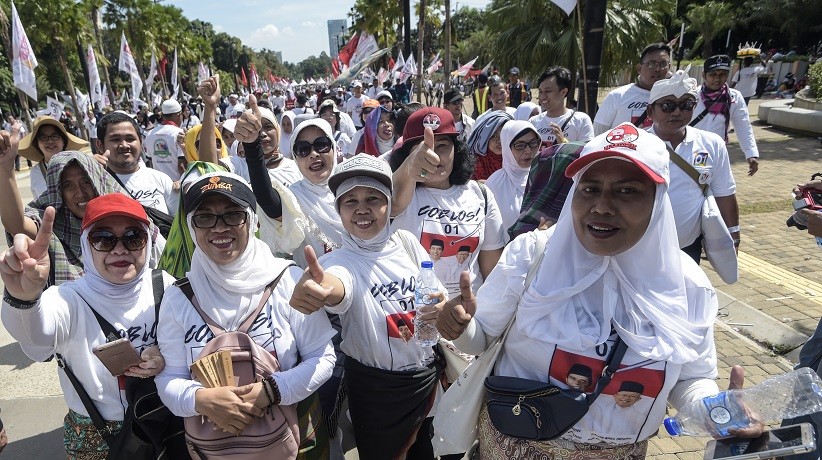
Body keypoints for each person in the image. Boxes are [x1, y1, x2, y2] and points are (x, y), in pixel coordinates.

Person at [438, 124, 762, 457]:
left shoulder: (687, 284)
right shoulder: (532, 256)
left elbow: (691, 378)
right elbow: (482, 340)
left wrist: (716, 411)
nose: (602, 206)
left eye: (627, 191)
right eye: (590, 189)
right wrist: (460, 328)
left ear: (658, 201)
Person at [155, 171, 336, 455]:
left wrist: (272, 391)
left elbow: (322, 357)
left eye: (232, 215)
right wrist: (201, 400)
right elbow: (168, 379)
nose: (219, 228)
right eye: (204, 218)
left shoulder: (286, 281)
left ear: (251, 221)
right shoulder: (179, 298)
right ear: (191, 227)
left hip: (293, 440)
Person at [289, 154, 448, 459]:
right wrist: (321, 290)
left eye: (373, 198)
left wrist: (444, 307)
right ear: (339, 211)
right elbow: (338, 286)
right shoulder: (337, 262)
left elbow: (434, 292)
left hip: (425, 383)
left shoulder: (406, 243)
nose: (362, 208)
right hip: (376, 394)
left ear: (390, 204)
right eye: (350, 201)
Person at [1, 193, 173, 459]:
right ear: (86, 245)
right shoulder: (68, 298)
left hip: (164, 420)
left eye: (133, 237)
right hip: (99, 435)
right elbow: (35, 337)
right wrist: (23, 297)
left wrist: (166, 358)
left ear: (148, 242)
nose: (120, 249)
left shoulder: (165, 285)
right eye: (103, 239)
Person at [390, 107, 506, 297]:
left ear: (456, 150)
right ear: (406, 157)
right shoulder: (398, 197)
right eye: (423, 148)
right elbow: (392, 200)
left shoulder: (481, 195)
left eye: (442, 145)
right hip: (415, 315)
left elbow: (492, 271)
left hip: (468, 315)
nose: (434, 156)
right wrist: (407, 171)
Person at [648, 70, 740, 263]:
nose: (677, 112)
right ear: (650, 111)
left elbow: (725, 193)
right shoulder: (636, 144)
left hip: (688, 248)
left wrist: (734, 235)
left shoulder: (712, 144)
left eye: (686, 105)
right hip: (640, 246)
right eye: (667, 106)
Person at [96, 112, 179, 216]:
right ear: (100, 145)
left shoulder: (161, 179)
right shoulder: (94, 185)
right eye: (115, 139)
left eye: (130, 139)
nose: (124, 145)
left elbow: (179, 223)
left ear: (140, 141)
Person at [692, 55, 760, 176]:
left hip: (718, 150)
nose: (717, 79)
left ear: (727, 76)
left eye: (722, 74)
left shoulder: (734, 97)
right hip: (695, 149)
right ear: (704, 75)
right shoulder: (692, 96)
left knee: (722, 188)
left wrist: (751, 154)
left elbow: (743, 126)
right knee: (699, 182)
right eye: (713, 74)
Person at [593, 43, 672, 134]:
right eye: (651, 64)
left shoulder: (675, 99)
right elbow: (597, 134)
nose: (657, 69)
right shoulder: (617, 96)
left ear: (669, 67)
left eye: (663, 64)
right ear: (639, 68)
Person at [485, 120, 541, 239]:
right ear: (507, 147)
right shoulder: (494, 184)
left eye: (533, 143)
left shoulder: (545, 176)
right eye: (520, 145)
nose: (528, 151)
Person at [16, 116, 89, 197]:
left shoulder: (80, 163)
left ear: (63, 141)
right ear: (37, 144)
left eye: (55, 136)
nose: (50, 141)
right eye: (43, 137)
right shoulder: (36, 172)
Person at [530, 67, 595, 146]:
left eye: (548, 91)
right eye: (540, 91)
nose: (543, 96)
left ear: (563, 92)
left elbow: (587, 153)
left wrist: (563, 142)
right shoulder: (533, 122)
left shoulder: (581, 121)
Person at [143, 99, 186, 181]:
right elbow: (182, 166)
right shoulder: (179, 133)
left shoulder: (150, 134)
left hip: (159, 184)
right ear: (179, 115)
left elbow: (150, 162)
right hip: (177, 184)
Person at [467, 111, 513, 181]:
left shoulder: (516, 158)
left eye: (503, 135)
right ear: (485, 138)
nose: (499, 141)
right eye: (494, 136)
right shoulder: (477, 162)